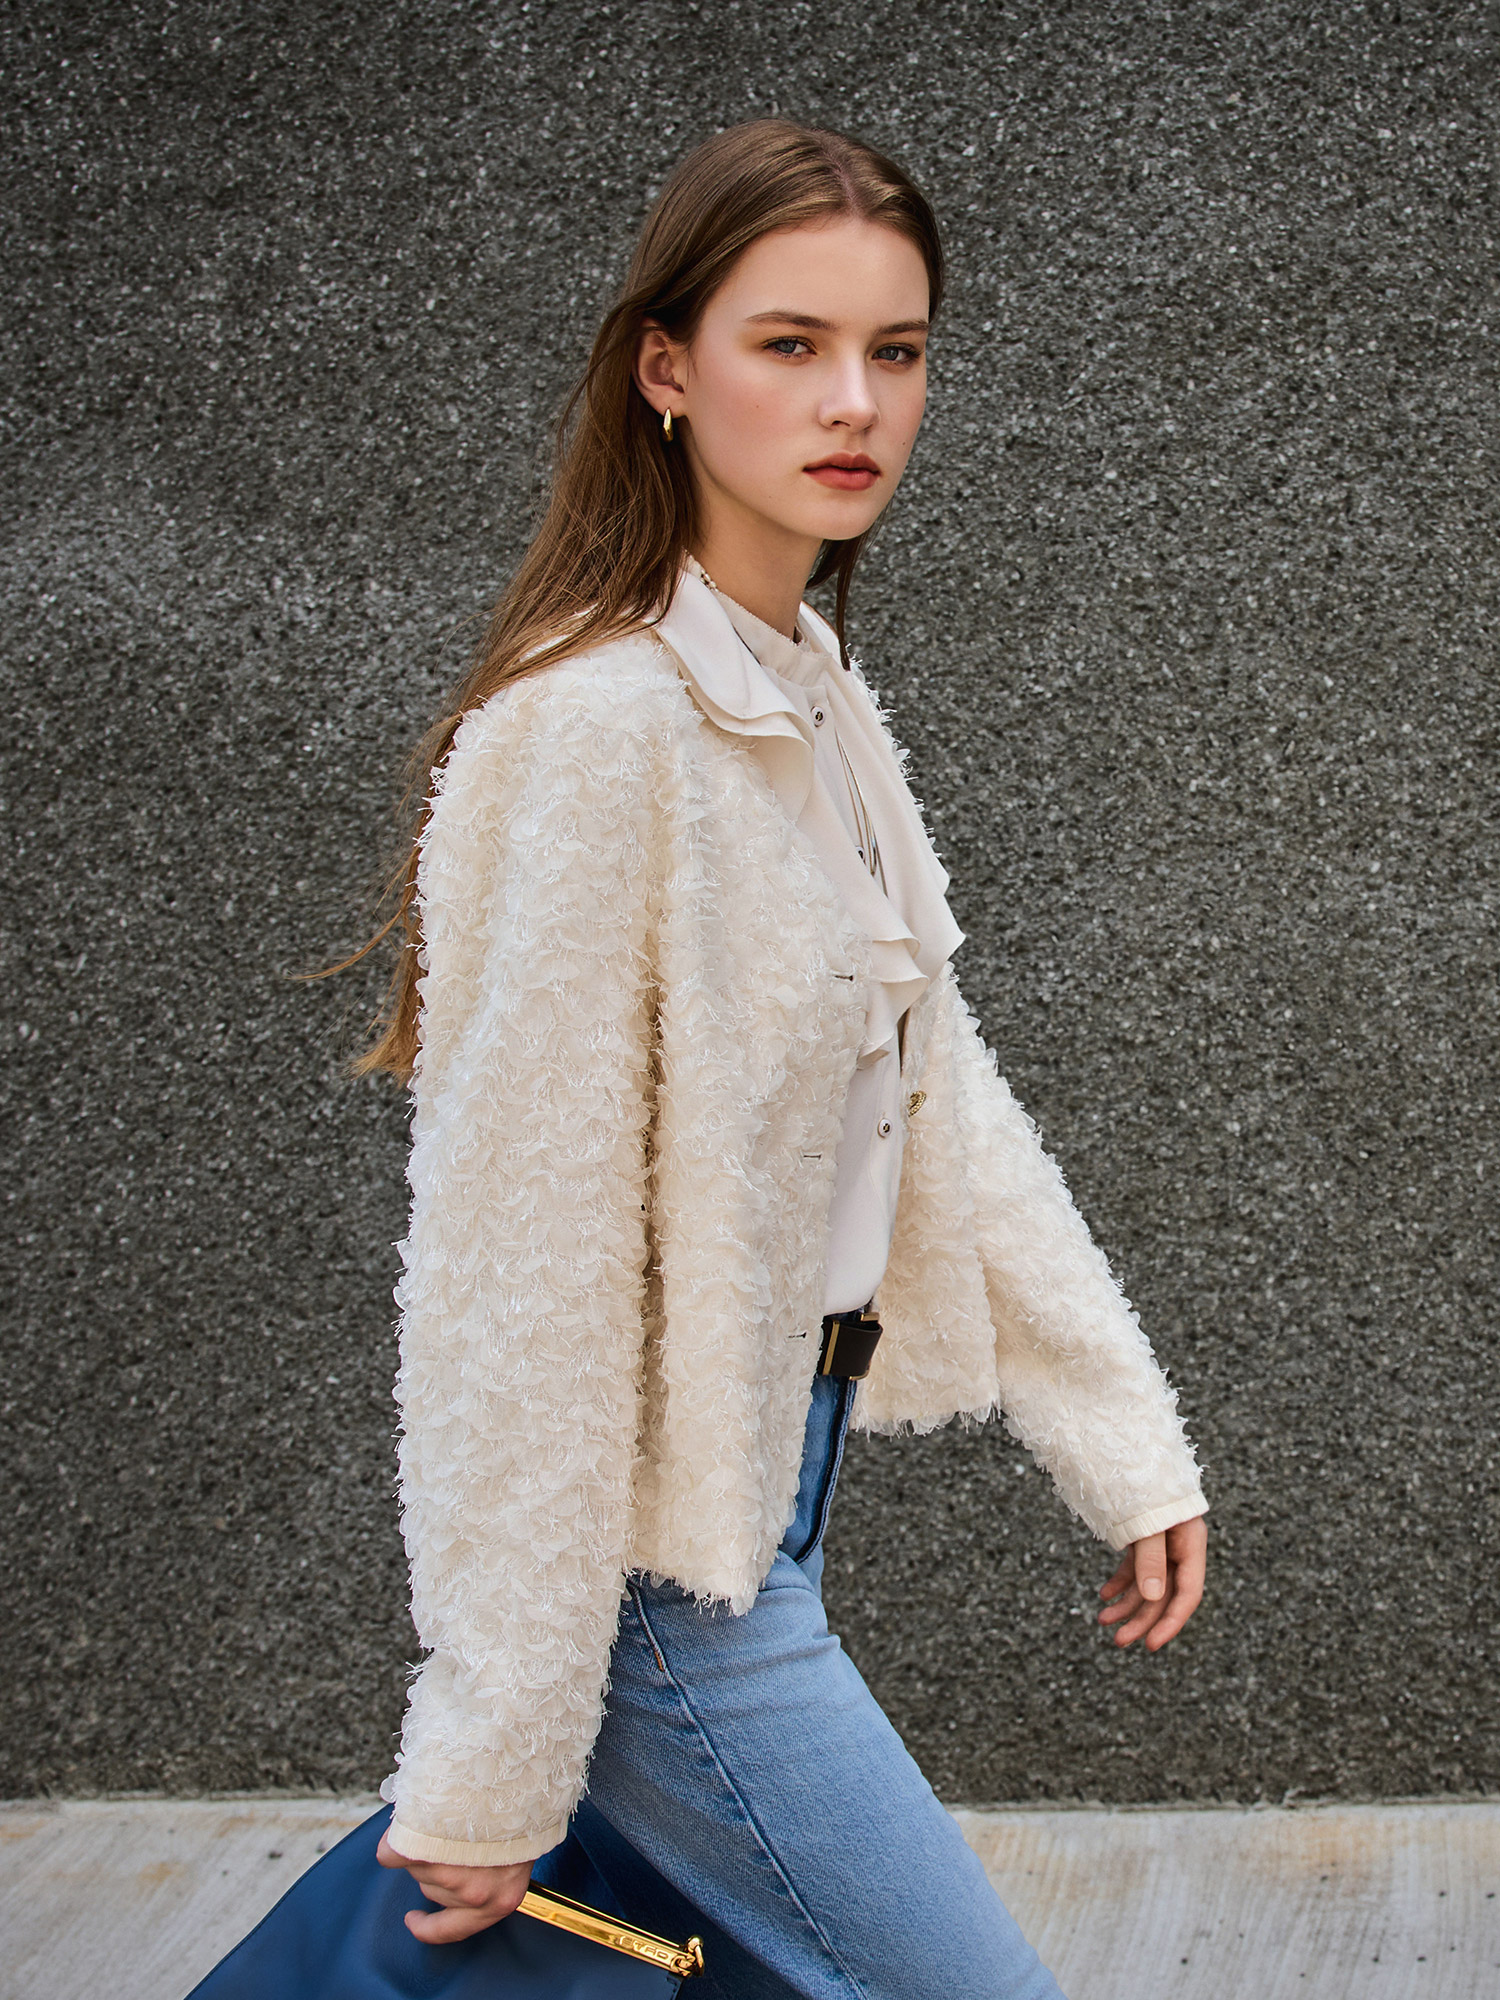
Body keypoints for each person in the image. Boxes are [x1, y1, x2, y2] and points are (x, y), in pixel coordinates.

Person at [359, 118, 1208, 2000]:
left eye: (895, 352)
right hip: (664, 1603)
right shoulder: (596, 732)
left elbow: (937, 1103)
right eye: (790, 344)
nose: (854, 404)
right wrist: (495, 1744)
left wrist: (1120, 1439)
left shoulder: (807, 692)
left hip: (771, 1524)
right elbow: (517, 1271)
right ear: (666, 370)